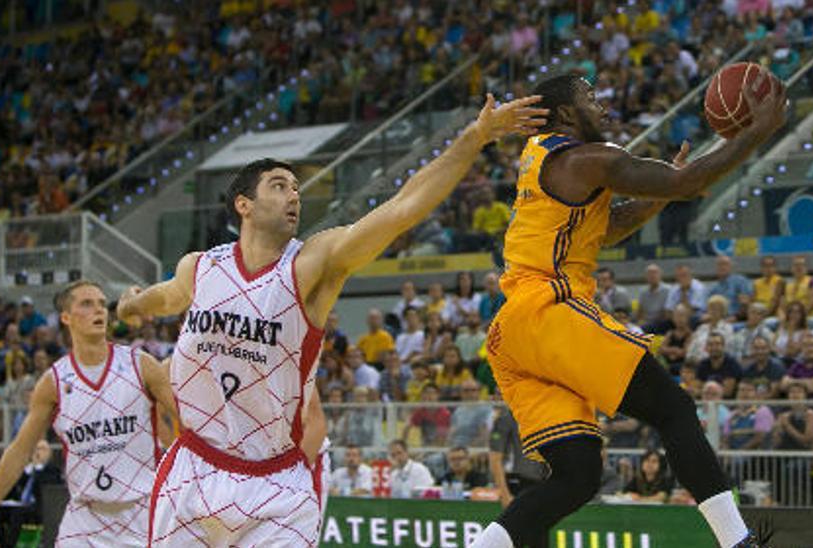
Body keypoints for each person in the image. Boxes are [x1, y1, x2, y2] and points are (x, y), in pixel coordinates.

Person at [118, 94, 546, 545]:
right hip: (194, 468)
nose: (294, 196)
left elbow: (401, 210)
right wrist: (128, 306)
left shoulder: (312, 264)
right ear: (243, 204)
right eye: (280, 185)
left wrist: (475, 137)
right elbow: (161, 299)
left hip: (275, 484)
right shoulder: (200, 267)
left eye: (297, 189)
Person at [476, 73, 789, 548]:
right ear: (565, 114)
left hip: (512, 333)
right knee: (674, 408)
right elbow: (687, 182)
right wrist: (756, 133)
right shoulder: (585, 158)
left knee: (577, 475)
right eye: (591, 98)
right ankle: (737, 541)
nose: (602, 107)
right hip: (549, 311)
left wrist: (662, 194)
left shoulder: (542, 158)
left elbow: (604, 228)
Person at [0, 281, 179, 548]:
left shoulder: (141, 365)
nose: (99, 311)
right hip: (84, 519)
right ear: (66, 317)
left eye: (103, 304)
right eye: (87, 304)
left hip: (142, 513)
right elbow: (20, 450)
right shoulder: (53, 383)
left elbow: (188, 421)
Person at [488, 394, 546, 509]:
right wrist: (505, 495)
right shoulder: (505, 419)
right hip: (514, 482)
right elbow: (495, 459)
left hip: (537, 483)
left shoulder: (542, 420)